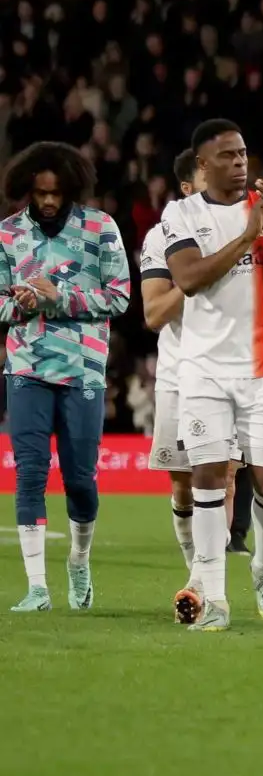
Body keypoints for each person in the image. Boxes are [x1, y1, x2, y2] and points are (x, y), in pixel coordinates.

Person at [161, 119, 263, 630]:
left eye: (244, 153)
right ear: (202, 165)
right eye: (228, 155)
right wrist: (246, 237)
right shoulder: (180, 213)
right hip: (201, 369)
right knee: (207, 476)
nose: (241, 162)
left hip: (262, 369)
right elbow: (189, 280)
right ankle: (216, 599)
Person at [1, 142, 130, 613]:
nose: (48, 201)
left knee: (80, 481)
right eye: (40, 193)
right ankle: (37, 587)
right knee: (30, 474)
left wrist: (61, 298)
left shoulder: (100, 228)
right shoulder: (8, 234)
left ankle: (79, 558)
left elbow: (119, 297)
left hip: (83, 369)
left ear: (72, 188)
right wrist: (20, 302)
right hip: (26, 368)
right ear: (27, 190)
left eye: (56, 192)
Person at [140, 149, 246, 615]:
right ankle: (198, 569)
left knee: (223, 477)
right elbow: (153, 313)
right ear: (188, 188)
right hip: (180, 373)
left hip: (237, 372)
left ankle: (200, 584)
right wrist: (199, 276)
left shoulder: (244, 230)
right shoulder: (160, 237)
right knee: (184, 485)